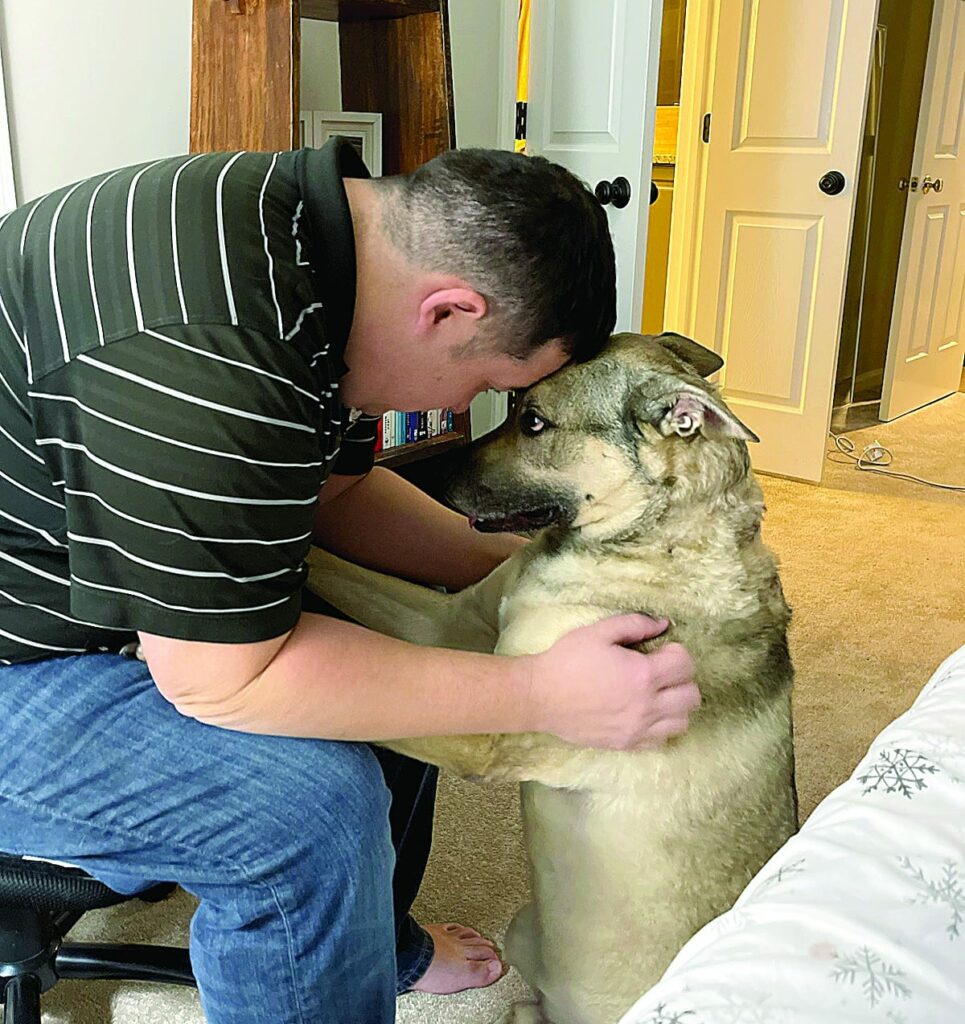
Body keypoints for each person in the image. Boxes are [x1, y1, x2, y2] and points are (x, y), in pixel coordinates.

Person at [0, 138, 699, 1023]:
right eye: (487, 382)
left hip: (74, 578)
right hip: (19, 659)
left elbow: (340, 492)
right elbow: (224, 680)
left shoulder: (323, 248)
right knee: (307, 812)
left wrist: (513, 575)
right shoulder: (209, 345)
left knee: (409, 658)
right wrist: (542, 693)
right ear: (448, 311)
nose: (465, 409)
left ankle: (371, 940)